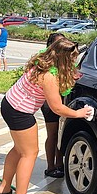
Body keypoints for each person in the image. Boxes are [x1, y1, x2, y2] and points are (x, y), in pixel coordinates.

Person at [0, 36, 94, 194]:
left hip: (10, 104)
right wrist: (78, 113)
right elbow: (57, 108)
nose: (74, 61)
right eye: (71, 59)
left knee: (19, 150)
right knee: (30, 154)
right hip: (20, 112)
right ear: (62, 58)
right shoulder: (49, 76)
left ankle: (4, 188)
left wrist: (71, 74)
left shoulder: (43, 61)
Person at [40, 32, 66, 178]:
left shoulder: (65, 59)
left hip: (62, 99)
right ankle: (50, 167)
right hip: (49, 102)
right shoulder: (46, 62)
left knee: (61, 134)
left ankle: (59, 163)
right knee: (53, 134)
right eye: (58, 43)